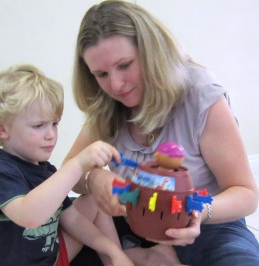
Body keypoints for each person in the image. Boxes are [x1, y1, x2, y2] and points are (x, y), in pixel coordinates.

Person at [64, 1, 259, 265]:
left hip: (209, 228)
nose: (116, 85)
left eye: (125, 65)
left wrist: (198, 211)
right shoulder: (106, 105)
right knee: (50, 245)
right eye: (101, 74)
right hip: (133, 223)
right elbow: (69, 174)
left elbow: (246, 193)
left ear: (151, 52)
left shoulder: (200, 93)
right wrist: (94, 178)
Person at [0, 64, 134, 266]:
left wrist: (111, 251)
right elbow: (29, 216)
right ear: (2, 129)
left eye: (54, 124)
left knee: (94, 199)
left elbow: (72, 220)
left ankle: (118, 260)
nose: (51, 135)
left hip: (53, 258)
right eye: (39, 126)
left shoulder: (46, 170)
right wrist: (77, 163)